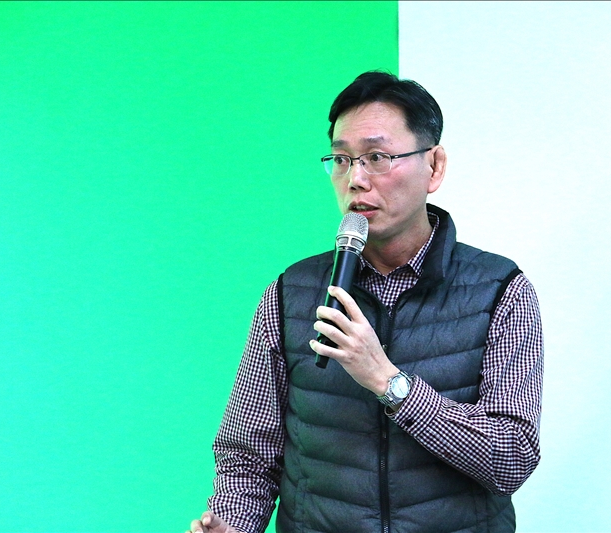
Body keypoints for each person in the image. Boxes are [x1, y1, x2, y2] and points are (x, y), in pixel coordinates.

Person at [188, 71, 543, 533]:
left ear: (434, 166)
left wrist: (389, 382)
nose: (355, 179)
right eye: (341, 160)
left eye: (377, 157)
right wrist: (232, 524)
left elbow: (511, 458)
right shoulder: (291, 293)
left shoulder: (499, 290)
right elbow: (248, 457)